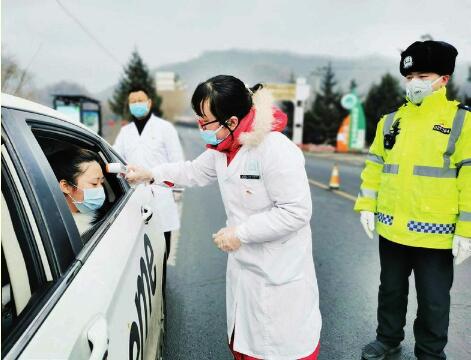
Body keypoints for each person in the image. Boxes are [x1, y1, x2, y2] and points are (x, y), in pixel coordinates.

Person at [125, 75, 322, 359]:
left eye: (206, 122)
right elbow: (192, 171)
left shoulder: (275, 149)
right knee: (245, 343)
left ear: (231, 121)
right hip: (246, 272)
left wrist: (241, 233)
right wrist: (151, 174)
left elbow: (296, 211)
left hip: (279, 274)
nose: (201, 128)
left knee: (279, 349)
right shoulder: (223, 149)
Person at [355, 40, 471, 360]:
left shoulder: (462, 121)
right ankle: (387, 338)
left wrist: (466, 230)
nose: (413, 83)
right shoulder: (391, 120)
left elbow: (469, 178)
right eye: (409, 77)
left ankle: (430, 353)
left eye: (422, 75)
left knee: (433, 299)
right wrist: (366, 206)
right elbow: (375, 166)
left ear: (443, 79)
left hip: (436, 233)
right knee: (390, 290)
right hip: (392, 228)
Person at [113, 86, 184, 258]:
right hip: (134, 194)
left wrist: (177, 191)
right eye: (133, 101)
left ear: (149, 103)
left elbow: (177, 161)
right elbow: (116, 158)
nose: (137, 104)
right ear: (129, 105)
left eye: (140, 100)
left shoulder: (165, 128)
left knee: (162, 248)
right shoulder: (125, 132)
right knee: (138, 245)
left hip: (160, 192)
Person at [49, 148, 107, 235]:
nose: (101, 189)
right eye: (94, 183)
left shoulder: (99, 214)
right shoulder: (57, 232)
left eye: (101, 182)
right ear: (66, 186)